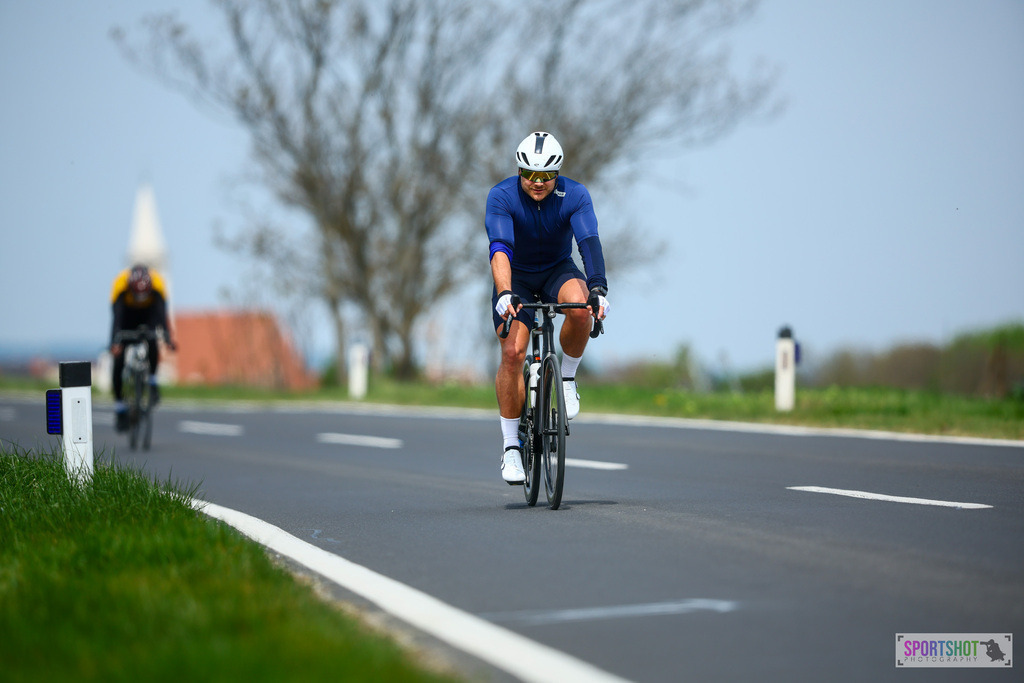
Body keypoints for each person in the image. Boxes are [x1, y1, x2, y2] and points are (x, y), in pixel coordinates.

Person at [485, 131, 610, 484]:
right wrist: (505, 292)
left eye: (546, 176)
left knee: (582, 307)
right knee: (512, 353)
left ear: (557, 174)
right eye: (529, 174)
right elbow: (500, 248)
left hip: (557, 269)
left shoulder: (575, 195)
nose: (537, 183)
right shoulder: (502, 196)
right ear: (519, 171)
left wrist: (598, 287)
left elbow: (588, 241)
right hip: (517, 278)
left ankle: (567, 376)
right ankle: (511, 447)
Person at [109, 264, 176, 432]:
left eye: (143, 294)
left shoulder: (158, 284)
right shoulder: (120, 285)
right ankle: (120, 408)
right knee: (118, 360)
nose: (140, 297)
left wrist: (167, 338)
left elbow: (161, 313)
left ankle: (152, 382)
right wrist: (115, 342)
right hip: (127, 315)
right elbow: (117, 317)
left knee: (153, 340)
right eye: (136, 294)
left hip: (149, 314)